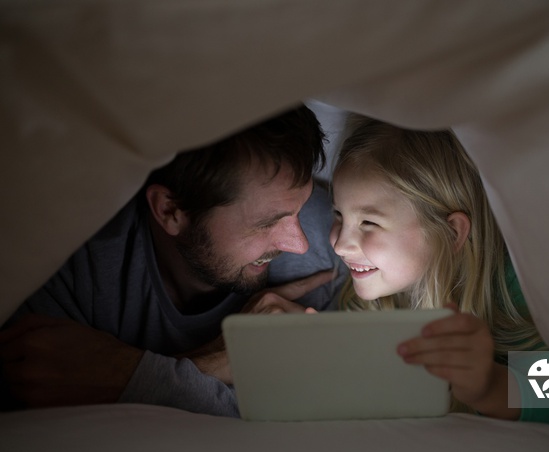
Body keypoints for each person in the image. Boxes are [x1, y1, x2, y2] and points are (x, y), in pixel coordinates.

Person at [0, 104, 347, 416]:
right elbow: (29, 408)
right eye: (267, 223)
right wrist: (219, 361)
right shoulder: (73, 258)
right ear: (170, 211)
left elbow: (314, 410)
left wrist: (125, 375)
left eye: (298, 210)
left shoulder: (329, 236)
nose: (297, 243)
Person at [329, 115, 549, 430]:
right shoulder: (365, 299)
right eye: (337, 215)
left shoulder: (516, 294)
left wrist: (490, 386)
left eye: (368, 223)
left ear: (452, 232)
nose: (340, 245)